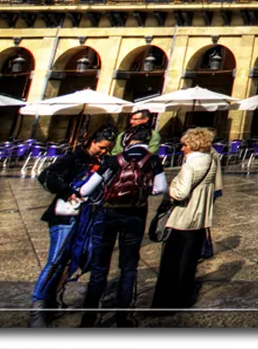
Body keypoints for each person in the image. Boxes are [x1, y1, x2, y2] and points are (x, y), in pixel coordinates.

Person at [30, 126, 117, 328]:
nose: (104, 152)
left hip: (86, 217)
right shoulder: (74, 157)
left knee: (70, 261)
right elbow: (46, 176)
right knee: (56, 260)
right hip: (65, 214)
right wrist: (67, 191)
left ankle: (51, 300)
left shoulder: (101, 161)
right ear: (92, 141)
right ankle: (37, 308)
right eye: (102, 147)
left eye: (107, 149)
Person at [80, 124, 167, 327]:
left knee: (99, 268)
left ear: (127, 139)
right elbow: (161, 188)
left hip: (108, 214)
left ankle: (89, 317)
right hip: (135, 216)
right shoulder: (153, 160)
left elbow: (86, 190)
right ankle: (123, 316)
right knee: (128, 268)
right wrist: (144, 192)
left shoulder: (113, 160)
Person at [149, 127, 222, 313]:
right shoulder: (211, 161)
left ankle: (167, 302)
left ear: (193, 144)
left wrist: (171, 188)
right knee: (189, 260)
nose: (182, 148)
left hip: (183, 217)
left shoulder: (191, 164)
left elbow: (180, 193)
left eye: (185, 144)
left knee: (174, 260)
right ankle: (184, 296)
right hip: (201, 217)